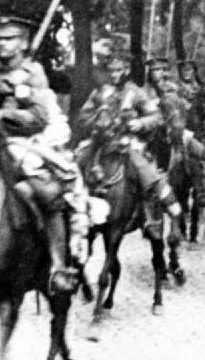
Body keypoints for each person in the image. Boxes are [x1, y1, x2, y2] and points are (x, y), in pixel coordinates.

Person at [0, 16, 90, 294]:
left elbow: (38, 118)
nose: (3, 44)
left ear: (24, 42)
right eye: (0, 38)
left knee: (46, 193)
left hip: (24, 143)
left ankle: (59, 267)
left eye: (10, 38)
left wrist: (3, 113)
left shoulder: (34, 74)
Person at [75, 54, 183, 243]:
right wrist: (97, 119)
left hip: (128, 142)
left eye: (118, 70)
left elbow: (155, 116)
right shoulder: (99, 93)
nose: (114, 75)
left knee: (147, 175)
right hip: (100, 142)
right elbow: (83, 118)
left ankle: (161, 212)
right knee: (74, 165)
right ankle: (72, 212)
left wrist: (139, 123)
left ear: (125, 71)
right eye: (111, 71)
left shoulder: (135, 92)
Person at [147, 58, 205, 207]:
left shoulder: (173, 88)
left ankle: (204, 190)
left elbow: (184, 107)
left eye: (159, 70)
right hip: (151, 132)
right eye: (153, 70)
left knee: (197, 150)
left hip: (174, 129)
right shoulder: (145, 90)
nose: (156, 73)